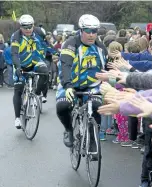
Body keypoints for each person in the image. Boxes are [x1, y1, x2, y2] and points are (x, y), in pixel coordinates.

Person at [56, 14, 108, 149]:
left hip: (92, 85)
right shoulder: (71, 44)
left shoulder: (100, 47)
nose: (91, 35)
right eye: (88, 31)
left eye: (94, 31)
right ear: (81, 30)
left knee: (97, 106)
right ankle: (68, 130)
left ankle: (92, 138)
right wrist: (67, 86)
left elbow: (107, 68)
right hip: (71, 84)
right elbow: (65, 66)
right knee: (62, 107)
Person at [11, 14, 53, 129]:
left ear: (33, 25)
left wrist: (57, 53)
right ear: (21, 27)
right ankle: (17, 118)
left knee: (45, 72)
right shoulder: (16, 36)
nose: (28, 29)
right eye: (25, 27)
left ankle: (37, 93)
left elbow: (47, 45)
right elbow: (14, 53)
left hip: (35, 62)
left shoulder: (39, 32)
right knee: (18, 90)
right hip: (21, 63)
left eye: (30, 27)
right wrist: (18, 67)